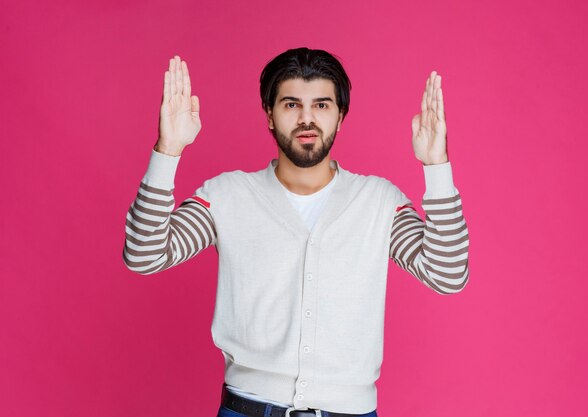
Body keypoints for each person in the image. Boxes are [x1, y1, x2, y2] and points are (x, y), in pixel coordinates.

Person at [123, 48, 469, 417]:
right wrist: (168, 150)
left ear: (341, 117)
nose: (307, 119)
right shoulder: (228, 196)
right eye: (291, 105)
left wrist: (436, 166)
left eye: (322, 105)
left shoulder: (378, 202)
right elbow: (145, 255)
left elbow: (446, 275)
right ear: (270, 115)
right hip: (247, 408)